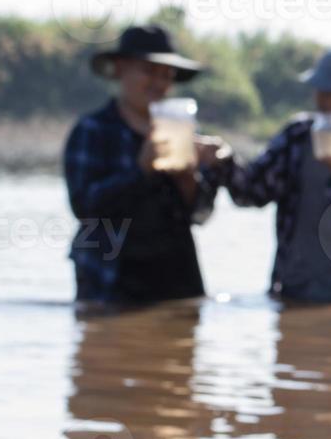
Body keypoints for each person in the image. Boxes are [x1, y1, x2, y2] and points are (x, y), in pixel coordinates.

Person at [63, 25, 227, 304]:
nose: (158, 82)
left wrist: (189, 179)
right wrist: (141, 170)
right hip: (107, 282)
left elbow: (201, 214)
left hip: (177, 281)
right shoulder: (92, 130)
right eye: (148, 71)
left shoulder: (185, 133)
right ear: (120, 69)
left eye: (166, 74)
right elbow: (84, 208)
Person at [221, 50, 331, 302]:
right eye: (318, 90)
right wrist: (222, 162)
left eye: (329, 91)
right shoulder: (297, 135)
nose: (319, 99)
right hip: (291, 288)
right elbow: (252, 193)